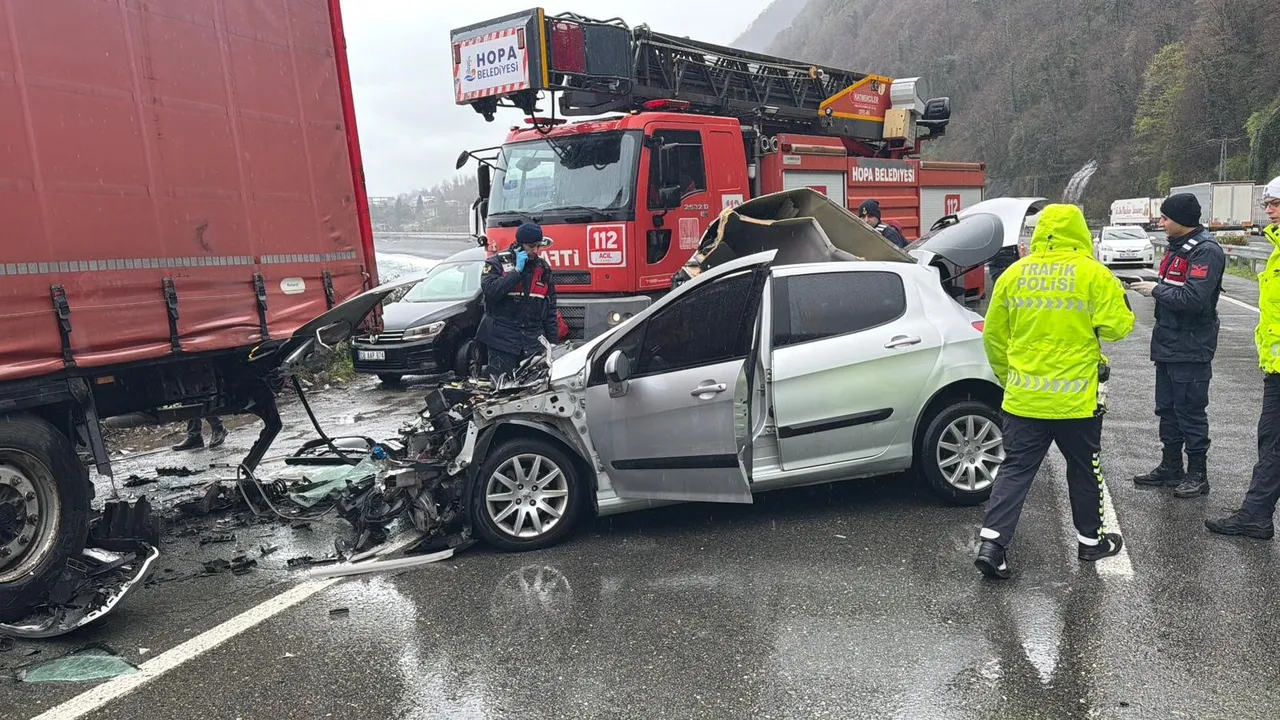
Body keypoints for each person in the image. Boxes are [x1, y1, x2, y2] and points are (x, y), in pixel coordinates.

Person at [974, 203, 1136, 580]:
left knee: (1014, 471)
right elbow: (1118, 328)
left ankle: (992, 546)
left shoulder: (1013, 275)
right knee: (1083, 469)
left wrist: (1009, 376)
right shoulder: (1094, 275)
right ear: (1080, 232)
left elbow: (994, 337)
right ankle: (1090, 541)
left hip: (1024, 398)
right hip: (1076, 401)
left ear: (1039, 232)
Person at [1127, 193, 1225, 498]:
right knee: (1167, 409)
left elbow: (1194, 300)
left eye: (1166, 218)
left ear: (1181, 220)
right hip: (1169, 343)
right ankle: (1171, 466)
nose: (1161, 222)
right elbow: (1175, 288)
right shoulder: (1177, 248)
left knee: (1190, 411)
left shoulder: (1205, 251)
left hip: (1192, 345)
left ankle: (1198, 473)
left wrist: (1156, 290)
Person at [1206, 177, 1280, 539]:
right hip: (1276, 368)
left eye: (1276, 204)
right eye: (1267, 204)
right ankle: (1256, 513)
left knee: (1274, 443)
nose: (1269, 211)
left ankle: (1255, 514)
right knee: (1271, 441)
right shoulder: (1276, 249)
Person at [476, 222, 559, 375]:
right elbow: (491, 292)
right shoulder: (496, 263)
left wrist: (553, 343)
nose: (535, 251)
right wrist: (516, 272)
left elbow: (550, 309)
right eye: (531, 246)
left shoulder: (543, 269)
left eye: (538, 246)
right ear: (519, 245)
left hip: (533, 342)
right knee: (501, 389)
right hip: (502, 341)